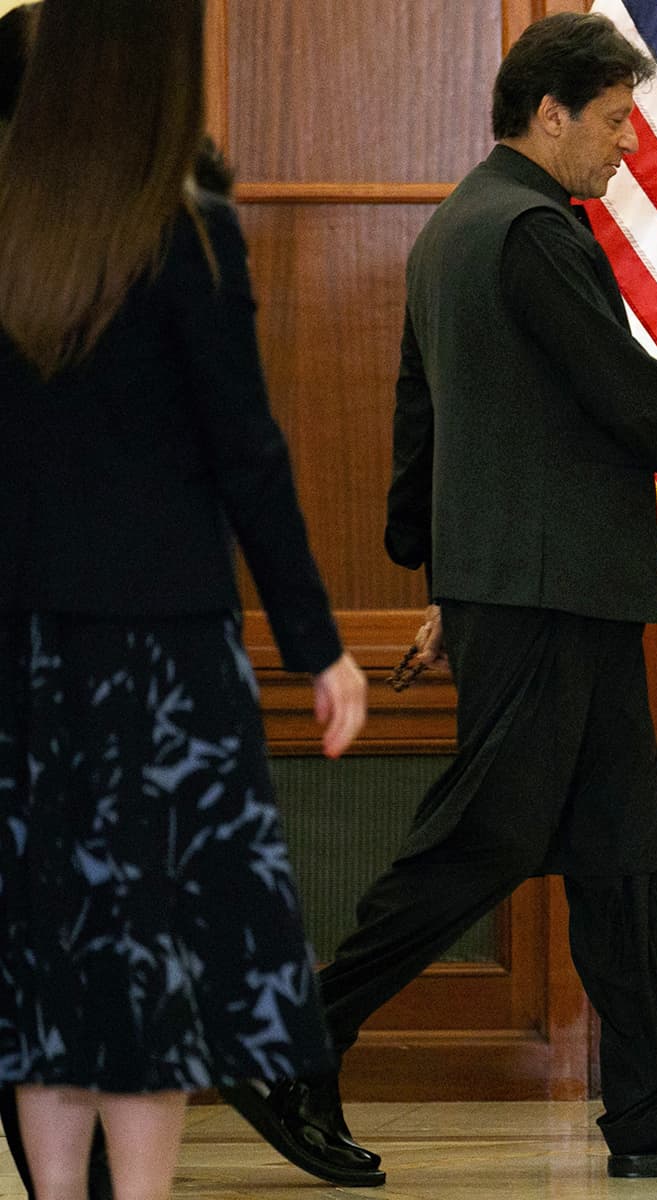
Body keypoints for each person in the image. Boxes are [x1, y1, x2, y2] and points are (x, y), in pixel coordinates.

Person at [222, 11, 657, 1183]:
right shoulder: (537, 231)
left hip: (541, 588)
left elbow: (424, 416)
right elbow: (619, 388)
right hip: (550, 592)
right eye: (613, 120)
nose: (629, 144)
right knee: (484, 838)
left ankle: (654, 1111)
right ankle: (286, 1046)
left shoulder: (455, 228)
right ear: (551, 114)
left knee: (624, 850)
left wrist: (447, 575)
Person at [0, 0, 370, 1197]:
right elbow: (247, 459)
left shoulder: (5, 230)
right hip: (160, 663)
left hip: (20, 656)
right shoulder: (188, 235)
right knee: (144, 978)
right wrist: (322, 648)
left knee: (44, 966)